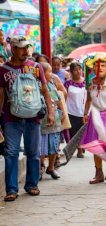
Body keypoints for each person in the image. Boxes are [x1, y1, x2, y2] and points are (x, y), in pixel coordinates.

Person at [0, 35, 54, 201]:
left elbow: (45, 90)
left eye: (27, 47)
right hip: (11, 118)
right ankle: (11, 189)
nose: (25, 51)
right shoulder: (3, 70)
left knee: (33, 153)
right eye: (21, 48)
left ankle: (32, 185)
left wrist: (51, 112)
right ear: (13, 49)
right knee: (11, 153)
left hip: (33, 117)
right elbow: (0, 96)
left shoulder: (36, 67)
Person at [81, 53, 106, 184]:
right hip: (96, 116)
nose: (100, 68)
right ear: (93, 68)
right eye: (97, 66)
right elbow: (88, 100)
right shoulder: (91, 83)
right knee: (96, 146)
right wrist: (85, 113)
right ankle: (98, 173)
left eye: (103, 66)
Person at [39, 62, 66, 180]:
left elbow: (59, 99)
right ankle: (40, 167)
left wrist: (63, 111)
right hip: (42, 120)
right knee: (42, 147)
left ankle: (51, 168)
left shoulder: (52, 84)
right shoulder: (38, 85)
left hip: (55, 119)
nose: (51, 74)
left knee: (54, 145)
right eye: (49, 71)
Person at [65, 62, 86, 158]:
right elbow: (64, 97)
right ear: (71, 72)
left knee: (83, 131)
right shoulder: (67, 83)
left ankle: (82, 146)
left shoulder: (86, 82)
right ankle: (79, 149)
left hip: (84, 111)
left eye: (79, 69)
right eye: (75, 70)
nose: (78, 72)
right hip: (71, 111)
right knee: (74, 132)